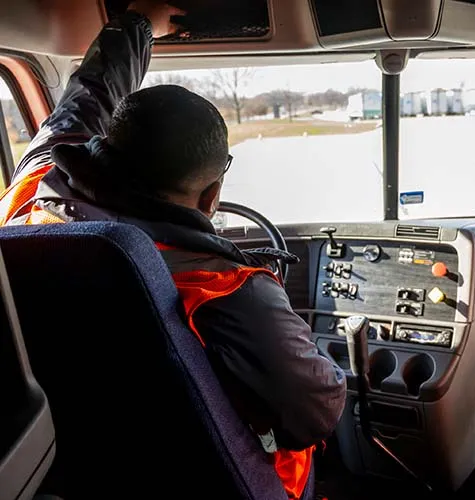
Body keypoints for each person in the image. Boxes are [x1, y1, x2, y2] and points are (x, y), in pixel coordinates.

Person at [0, 2, 346, 498]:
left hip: (67, 466)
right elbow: (317, 411)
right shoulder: (226, 288)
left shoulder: (31, 191)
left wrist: (139, 21)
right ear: (212, 197)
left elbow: (88, 93)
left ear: (100, 151)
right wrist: (328, 361)